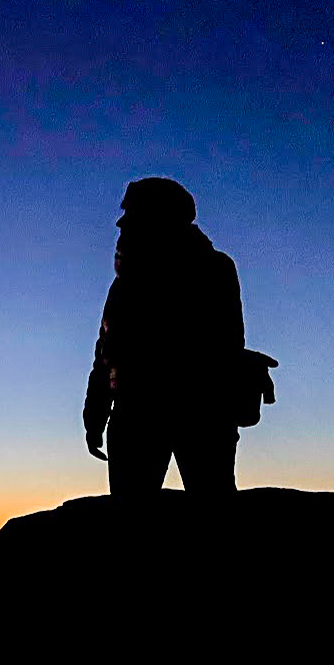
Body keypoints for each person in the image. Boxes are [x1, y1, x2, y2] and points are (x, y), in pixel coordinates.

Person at [83, 178, 245, 496]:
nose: (122, 224)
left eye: (132, 214)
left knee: (215, 514)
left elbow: (227, 345)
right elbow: (107, 349)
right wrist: (95, 413)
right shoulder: (125, 283)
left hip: (198, 417)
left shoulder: (214, 270)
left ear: (160, 217)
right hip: (139, 416)